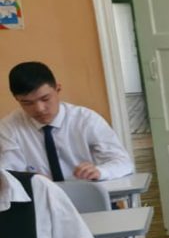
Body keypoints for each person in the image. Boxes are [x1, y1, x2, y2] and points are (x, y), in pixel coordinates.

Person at [0, 61, 134, 181]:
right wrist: (29, 179)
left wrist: (100, 171)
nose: (39, 109)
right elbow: (8, 173)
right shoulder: (9, 127)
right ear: (17, 99)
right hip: (41, 198)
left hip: (90, 194)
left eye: (45, 99)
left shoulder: (86, 120)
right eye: (27, 103)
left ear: (57, 89)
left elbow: (123, 163)